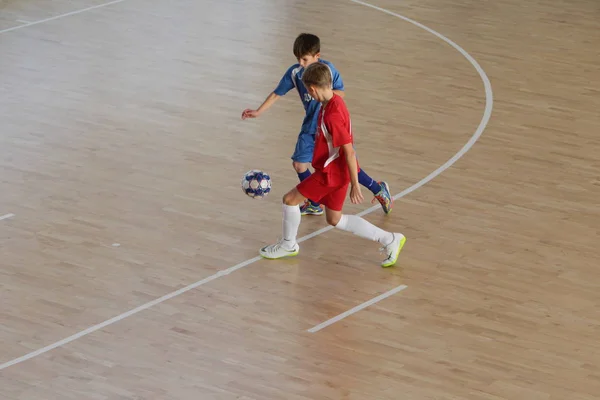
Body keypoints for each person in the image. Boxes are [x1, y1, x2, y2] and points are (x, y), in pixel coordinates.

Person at [258, 62, 406, 268]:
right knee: (335, 219)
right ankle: (390, 239)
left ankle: (288, 244)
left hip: (331, 173)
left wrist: (355, 184)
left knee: (290, 200)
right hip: (338, 172)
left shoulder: (333, 115)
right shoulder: (333, 101)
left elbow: (349, 151)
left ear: (312, 89)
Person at [241, 33, 393, 217]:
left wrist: (323, 99)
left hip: (328, 129)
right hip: (310, 128)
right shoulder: (295, 72)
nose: (301, 63)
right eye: (298, 59)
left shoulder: (326, 71)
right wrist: (258, 111)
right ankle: (314, 203)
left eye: (305, 59)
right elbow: (276, 93)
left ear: (317, 56)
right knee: (299, 164)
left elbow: (341, 93)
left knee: (344, 166)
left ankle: (378, 189)